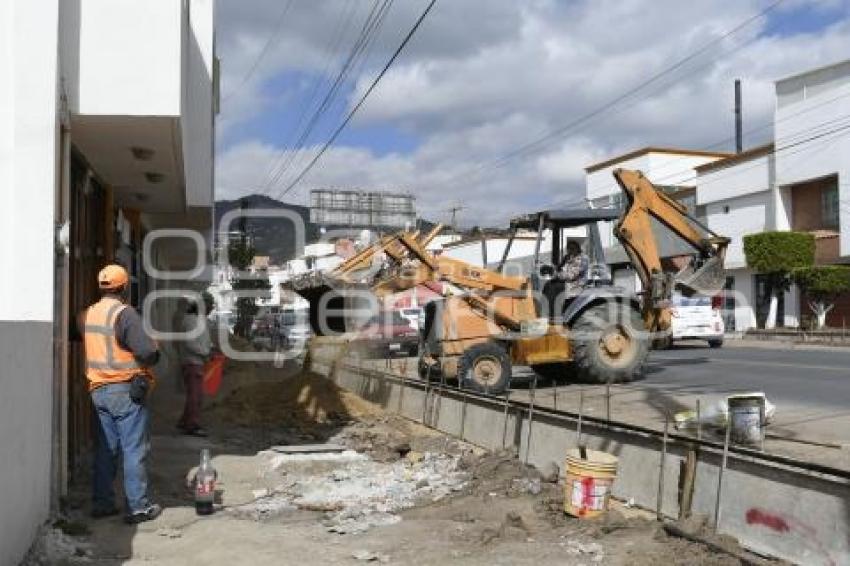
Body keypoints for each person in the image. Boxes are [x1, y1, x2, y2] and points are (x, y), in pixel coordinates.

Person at [82, 264, 161, 524]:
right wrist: (154, 349)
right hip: (125, 391)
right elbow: (146, 353)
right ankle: (138, 507)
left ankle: (102, 503)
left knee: (106, 449)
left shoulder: (90, 313)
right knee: (133, 450)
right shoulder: (125, 314)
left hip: (98, 390)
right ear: (125, 287)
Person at [177, 292, 214, 437]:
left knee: (194, 395)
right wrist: (205, 352)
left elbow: (203, 339)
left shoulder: (199, 320)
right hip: (192, 362)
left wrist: (210, 348)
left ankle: (184, 421)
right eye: (209, 305)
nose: (211, 308)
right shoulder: (191, 321)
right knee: (195, 396)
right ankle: (192, 425)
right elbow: (191, 343)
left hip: (196, 361)